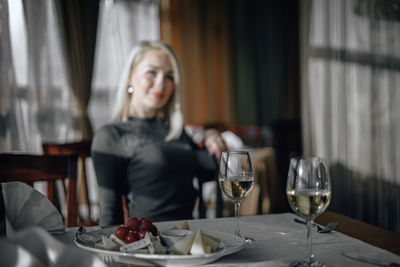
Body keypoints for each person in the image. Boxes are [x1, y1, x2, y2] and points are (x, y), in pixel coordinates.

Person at [91, 40, 227, 225]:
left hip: (191, 235)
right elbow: (109, 216)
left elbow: (212, 168)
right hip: (150, 241)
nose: (161, 83)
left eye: (170, 76)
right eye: (152, 72)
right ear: (131, 77)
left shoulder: (174, 131)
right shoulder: (112, 135)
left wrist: (211, 134)